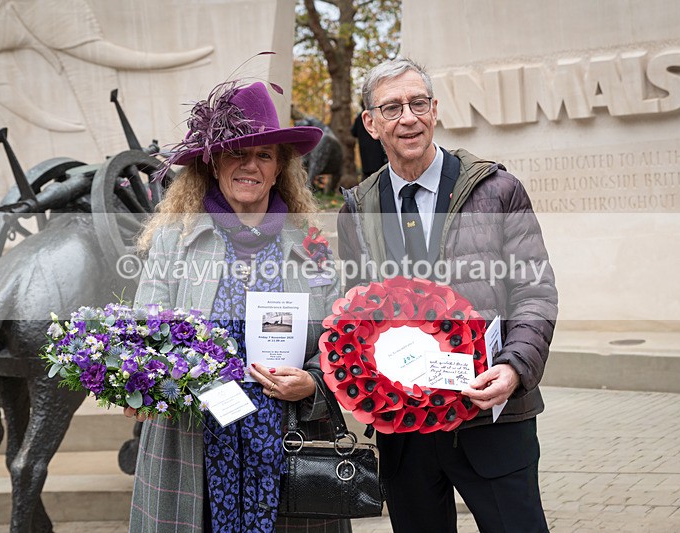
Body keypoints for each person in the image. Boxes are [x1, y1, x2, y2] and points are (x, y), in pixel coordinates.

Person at [337, 57, 558, 532]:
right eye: (392, 108)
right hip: (404, 428)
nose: (408, 117)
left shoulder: (497, 190)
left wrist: (515, 367)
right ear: (371, 125)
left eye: (418, 103)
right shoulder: (357, 207)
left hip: (490, 419)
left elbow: (534, 291)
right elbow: (354, 310)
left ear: (435, 110)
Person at [126, 80, 349, 533]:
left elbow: (336, 341)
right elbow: (146, 335)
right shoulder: (176, 239)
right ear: (212, 162)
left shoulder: (311, 244)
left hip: (290, 445)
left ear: (279, 168)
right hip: (191, 448)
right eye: (237, 153)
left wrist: (313, 383)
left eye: (264, 155)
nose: (251, 166)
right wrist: (149, 381)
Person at [350, 99, 388, 180]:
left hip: (365, 150)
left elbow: (353, 132)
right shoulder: (375, 116)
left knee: (368, 172)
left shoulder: (358, 118)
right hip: (377, 147)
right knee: (379, 170)